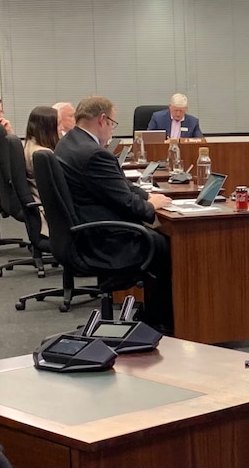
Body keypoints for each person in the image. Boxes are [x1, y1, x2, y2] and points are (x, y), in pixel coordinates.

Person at [55, 96, 174, 329]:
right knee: (169, 246)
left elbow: (120, 186)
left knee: (158, 240)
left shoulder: (69, 143)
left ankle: (153, 316)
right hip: (104, 241)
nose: (111, 129)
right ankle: (160, 323)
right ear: (102, 119)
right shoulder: (94, 154)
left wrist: (147, 195)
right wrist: (152, 205)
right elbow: (126, 203)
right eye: (112, 123)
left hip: (82, 233)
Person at [23, 106, 59, 237]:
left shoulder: (29, 145)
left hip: (40, 204)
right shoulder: (42, 153)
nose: (61, 128)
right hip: (50, 214)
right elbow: (58, 187)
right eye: (58, 124)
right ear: (48, 127)